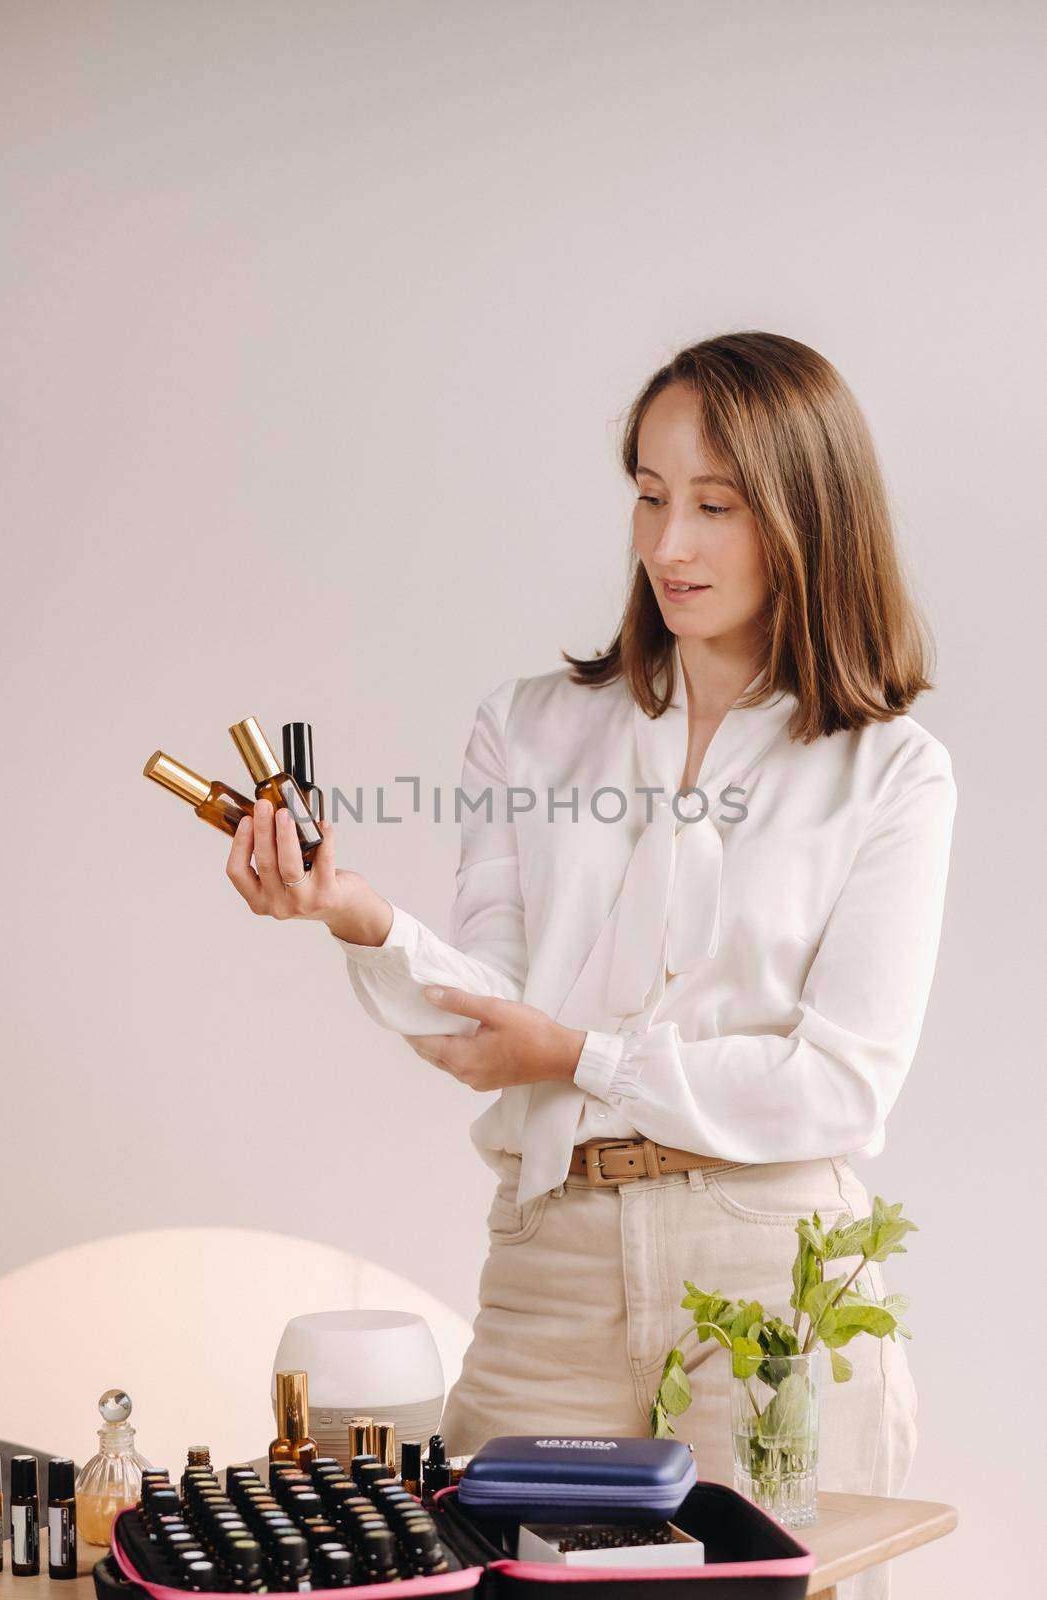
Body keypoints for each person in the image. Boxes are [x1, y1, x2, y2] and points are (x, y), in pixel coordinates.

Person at [226, 332, 957, 1600]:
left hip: (771, 1272)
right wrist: (351, 913)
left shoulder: (888, 771)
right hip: (551, 1256)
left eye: (714, 506)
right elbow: (481, 1013)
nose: (666, 544)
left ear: (808, 515)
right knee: (473, 1576)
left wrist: (580, 1057)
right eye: (648, 492)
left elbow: (839, 1086)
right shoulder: (530, 728)